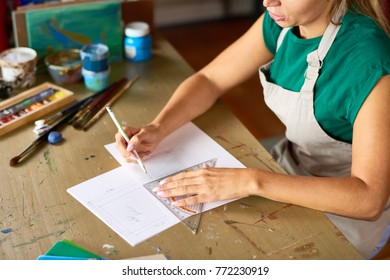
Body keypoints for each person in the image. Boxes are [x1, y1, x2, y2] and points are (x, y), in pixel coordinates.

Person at [114, 0, 390, 259]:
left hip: (345, 210)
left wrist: (249, 181)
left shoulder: (370, 62)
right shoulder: (286, 19)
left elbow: (367, 200)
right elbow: (210, 79)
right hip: (289, 167)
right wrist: (158, 127)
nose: (268, 2)